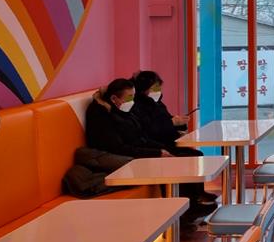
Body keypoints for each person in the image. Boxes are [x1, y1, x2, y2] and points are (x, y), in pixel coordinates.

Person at [85, 78, 215, 224]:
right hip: (125, 159)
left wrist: (161, 149)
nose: (132, 101)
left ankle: (190, 207)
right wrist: (156, 153)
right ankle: (182, 216)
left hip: (138, 151)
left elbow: (142, 137)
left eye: (133, 97)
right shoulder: (105, 118)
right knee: (170, 165)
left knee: (184, 157)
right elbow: (119, 148)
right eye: (129, 98)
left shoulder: (126, 113)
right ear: (114, 98)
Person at [131, 70, 218, 205]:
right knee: (184, 159)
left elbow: (166, 121)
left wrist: (179, 125)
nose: (158, 91)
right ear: (144, 89)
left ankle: (198, 194)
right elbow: (149, 130)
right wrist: (172, 123)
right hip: (156, 145)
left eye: (159, 87)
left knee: (196, 154)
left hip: (167, 142)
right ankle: (188, 203)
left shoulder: (157, 103)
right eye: (154, 88)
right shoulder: (138, 106)